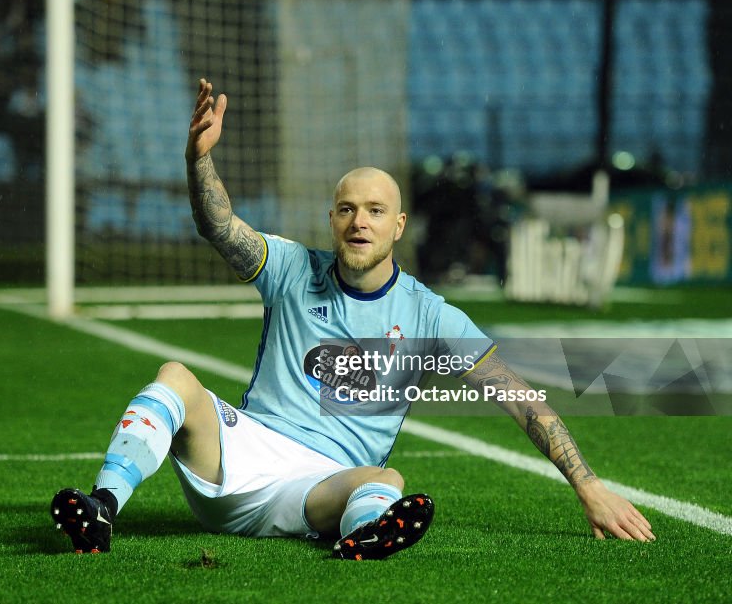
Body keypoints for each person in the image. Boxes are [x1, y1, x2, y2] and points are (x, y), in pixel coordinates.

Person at [51, 79, 655, 559]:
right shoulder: (289, 268)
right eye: (346, 208)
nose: (358, 221)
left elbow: (518, 398)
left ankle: (362, 536)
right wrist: (198, 160)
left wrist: (588, 485)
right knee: (176, 375)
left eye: (374, 210)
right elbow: (218, 226)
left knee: (385, 479)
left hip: (319, 489)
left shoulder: (429, 315)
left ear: (398, 226)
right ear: (332, 218)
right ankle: (102, 507)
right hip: (238, 453)